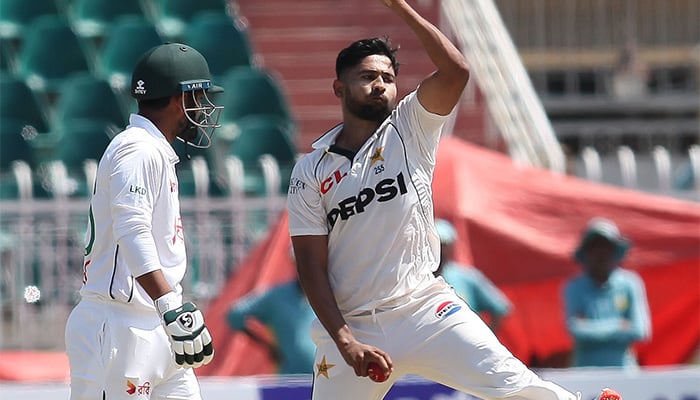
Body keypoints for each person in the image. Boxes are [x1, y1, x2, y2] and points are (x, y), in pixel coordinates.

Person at [286, 1, 621, 399]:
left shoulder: (410, 127)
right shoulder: (311, 171)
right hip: (353, 327)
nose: (380, 85)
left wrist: (402, 9)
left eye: (388, 77)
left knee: (519, 389)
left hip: (424, 309)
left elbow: (457, 72)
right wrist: (346, 343)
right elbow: (310, 268)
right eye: (367, 76)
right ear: (339, 87)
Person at [64, 43, 224, 400]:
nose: (202, 107)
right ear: (176, 98)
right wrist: (170, 305)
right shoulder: (137, 149)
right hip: (119, 325)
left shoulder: (154, 150)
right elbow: (131, 230)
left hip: (153, 324)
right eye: (198, 96)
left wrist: (169, 310)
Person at [564, 217, 651, 368]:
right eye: (594, 247)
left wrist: (590, 327)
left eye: (606, 247)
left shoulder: (630, 283)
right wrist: (619, 325)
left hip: (623, 372)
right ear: (586, 253)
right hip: (585, 373)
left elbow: (640, 331)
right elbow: (575, 329)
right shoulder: (573, 287)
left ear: (616, 251)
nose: (601, 254)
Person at [434, 219, 512, 332]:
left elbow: (500, 307)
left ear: (452, 246)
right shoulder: (416, 278)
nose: (440, 249)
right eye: (436, 243)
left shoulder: (466, 276)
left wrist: (488, 336)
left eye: (444, 244)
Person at [227, 278, 317, 374]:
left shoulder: (324, 294)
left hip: (323, 374)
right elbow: (235, 315)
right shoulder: (276, 296)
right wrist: (267, 345)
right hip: (289, 377)